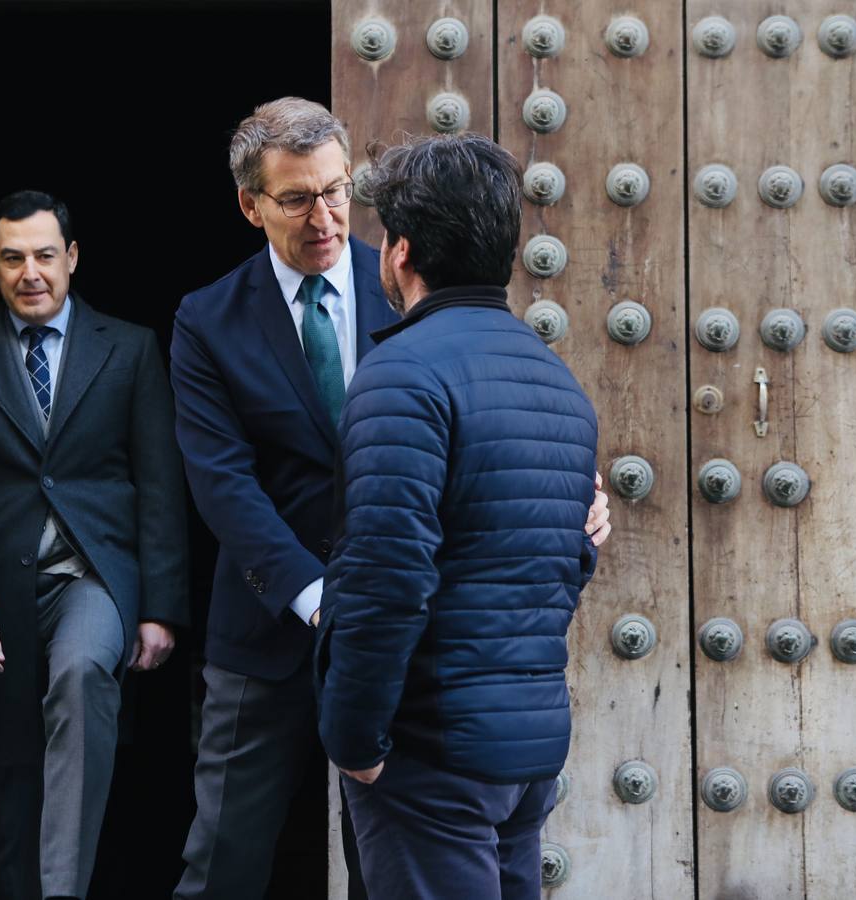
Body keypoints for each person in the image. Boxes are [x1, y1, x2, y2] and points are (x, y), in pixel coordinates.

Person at [169, 99, 609, 898]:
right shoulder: (207, 319)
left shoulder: (410, 286)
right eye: (298, 198)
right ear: (251, 205)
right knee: (225, 860)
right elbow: (221, 481)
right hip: (272, 626)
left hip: (410, 654)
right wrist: (314, 597)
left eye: (338, 191)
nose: (326, 216)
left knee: (389, 866)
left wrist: (573, 505)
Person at [316, 133, 599, 900]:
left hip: (429, 749)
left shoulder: (401, 373)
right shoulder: (557, 382)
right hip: (525, 748)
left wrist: (356, 739)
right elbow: (567, 561)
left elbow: (386, 574)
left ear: (398, 252)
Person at [0, 190, 188, 900]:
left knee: (78, 674)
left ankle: (63, 891)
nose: (29, 272)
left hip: (93, 579)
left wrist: (161, 608)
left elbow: (160, 483)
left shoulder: (129, 349)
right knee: (9, 795)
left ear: (71, 258)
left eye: (44, 255)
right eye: (13, 258)